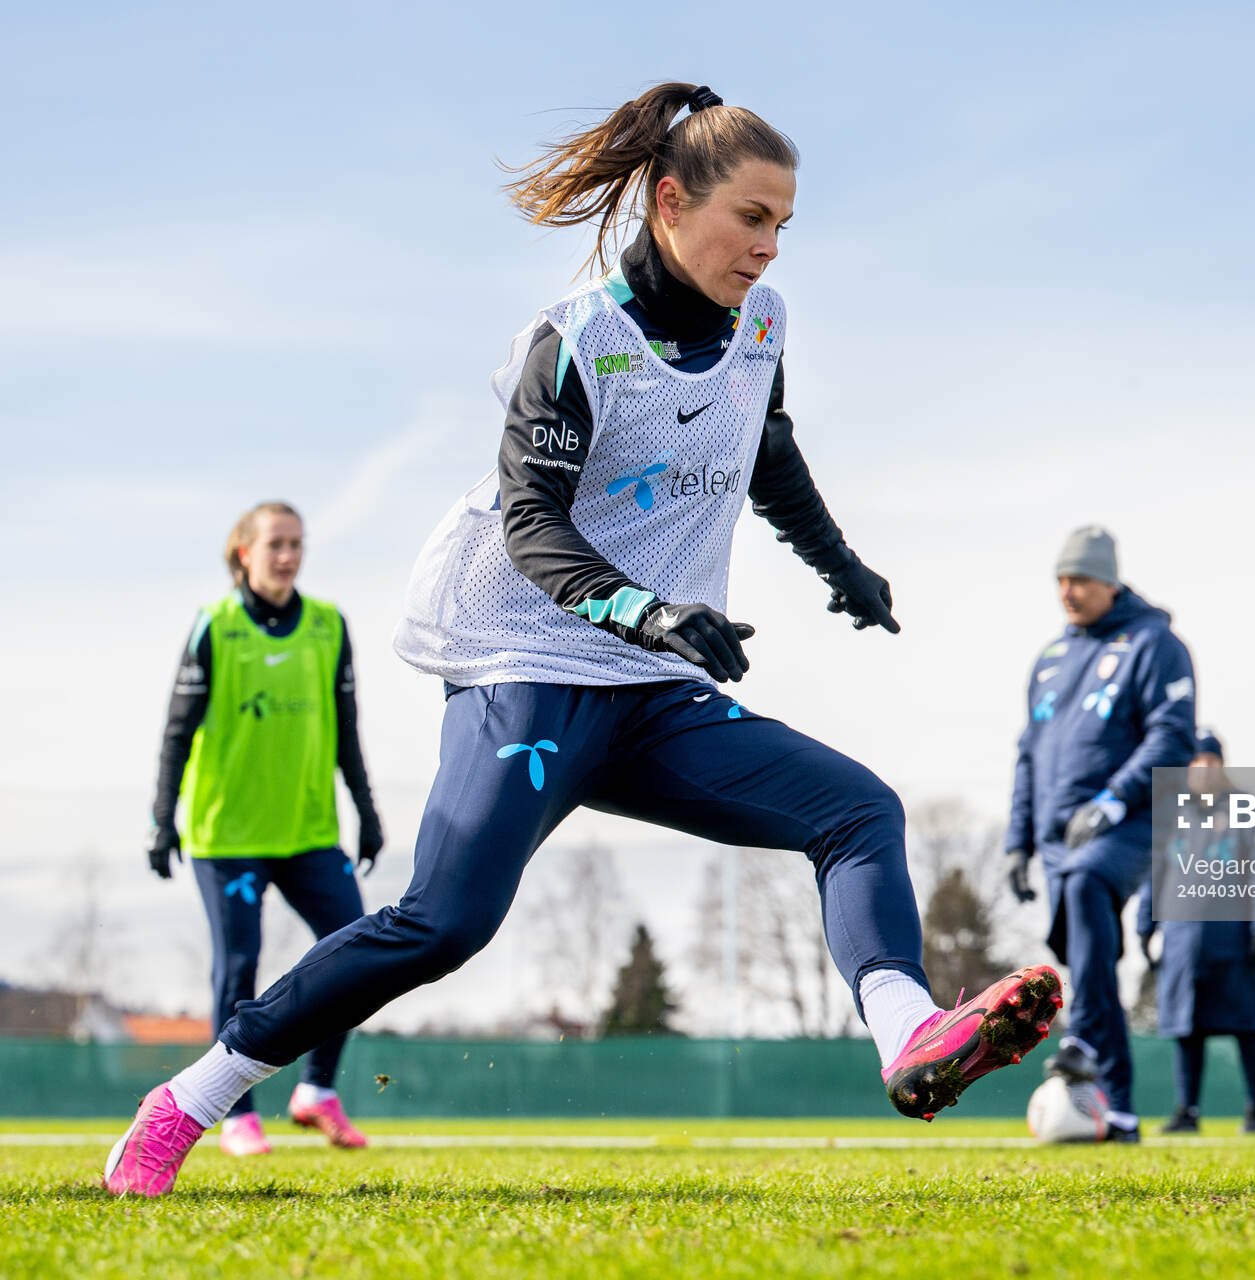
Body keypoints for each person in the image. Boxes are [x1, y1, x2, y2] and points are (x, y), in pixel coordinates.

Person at [106, 82, 1058, 1197]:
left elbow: (766, 449)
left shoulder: (764, 323)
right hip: (528, 662)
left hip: (653, 682)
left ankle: (908, 1036)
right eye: (750, 217)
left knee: (858, 811)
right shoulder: (575, 342)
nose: (768, 247)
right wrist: (648, 610)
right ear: (669, 200)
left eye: (784, 224)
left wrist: (841, 566)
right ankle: (189, 1100)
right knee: (443, 922)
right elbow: (531, 522)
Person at [144, 501, 383, 1157]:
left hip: (308, 830)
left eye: (297, 544)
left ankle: (317, 1093)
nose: (288, 555)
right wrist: (163, 820)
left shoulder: (329, 626)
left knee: (359, 954)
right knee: (239, 966)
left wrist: (366, 810)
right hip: (229, 837)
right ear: (243, 552)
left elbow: (346, 731)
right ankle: (236, 1114)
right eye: (275, 544)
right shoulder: (215, 626)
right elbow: (177, 730)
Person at [1005, 526, 1196, 1142]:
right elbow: (1029, 754)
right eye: (1061, 579)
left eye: (1081, 579)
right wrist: (1018, 842)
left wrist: (1113, 802)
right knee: (1086, 956)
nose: (1069, 590)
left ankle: (1080, 1037)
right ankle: (1116, 1112)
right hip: (1058, 837)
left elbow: (1173, 738)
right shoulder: (1051, 660)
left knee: (1089, 892)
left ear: (1111, 582)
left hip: (1130, 824)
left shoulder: (1154, 645)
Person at [1136, 731, 1255, 1135]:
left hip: (1233, 937)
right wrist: (1146, 926)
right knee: (1185, 1027)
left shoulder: (1244, 807)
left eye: (1212, 761)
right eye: (1197, 761)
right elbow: (1154, 873)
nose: (1204, 769)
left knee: (1248, 1026)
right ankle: (1187, 1111)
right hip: (1180, 939)